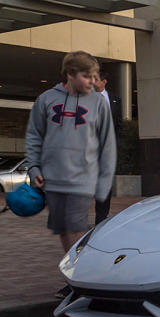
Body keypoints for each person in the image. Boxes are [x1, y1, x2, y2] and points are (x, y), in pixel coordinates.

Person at [25, 51, 116, 298]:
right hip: (52, 178)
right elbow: (34, 135)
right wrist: (34, 168)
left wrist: (105, 180)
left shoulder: (98, 102)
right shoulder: (46, 99)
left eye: (95, 76)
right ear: (70, 75)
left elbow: (107, 142)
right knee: (64, 229)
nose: (92, 81)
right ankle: (76, 279)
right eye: (87, 76)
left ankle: (85, 280)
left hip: (83, 177)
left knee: (75, 227)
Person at [93, 70, 123, 225]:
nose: (92, 82)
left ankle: (101, 219)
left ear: (104, 81)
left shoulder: (115, 100)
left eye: (96, 79)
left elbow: (118, 125)